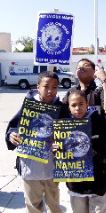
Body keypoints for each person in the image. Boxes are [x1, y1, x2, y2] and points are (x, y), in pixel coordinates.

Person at [5, 71, 68, 213]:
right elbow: (15, 126)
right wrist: (12, 135)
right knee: (34, 206)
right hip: (30, 168)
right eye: (46, 86)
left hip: (52, 169)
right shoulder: (29, 105)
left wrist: (60, 143)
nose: (50, 91)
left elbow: (69, 134)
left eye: (55, 87)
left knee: (54, 205)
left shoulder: (61, 108)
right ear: (38, 86)